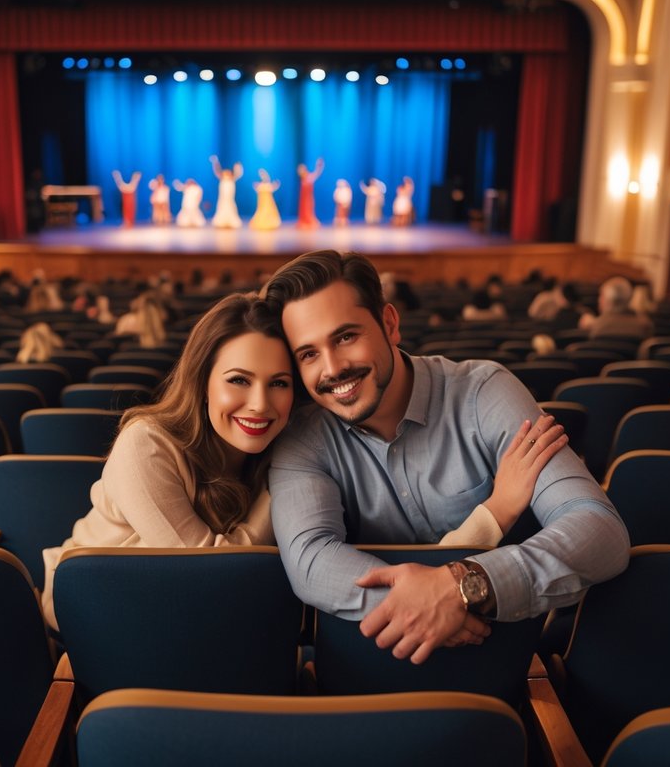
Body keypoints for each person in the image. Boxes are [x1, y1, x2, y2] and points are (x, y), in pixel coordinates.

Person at [263, 250, 629, 665]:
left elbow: (600, 530)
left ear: (389, 323)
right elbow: (311, 559)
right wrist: (432, 602)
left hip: (498, 675)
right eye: (308, 354)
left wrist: (465, 585)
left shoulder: (483, 393)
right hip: (366, 679)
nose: (332, 369)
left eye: (346, 337)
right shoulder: (302, 438)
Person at [40, 293, 293, 629]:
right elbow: (206, 572)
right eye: (238, 380)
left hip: (188, 612)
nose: (260, 404)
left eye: (278, 383)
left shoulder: (281, 446)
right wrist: (283, 481)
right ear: (202, 383)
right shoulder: (145, 443)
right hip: (97, 607)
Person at [579, 276, 654, 339]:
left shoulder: (597, 327)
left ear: (608, 301)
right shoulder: (645, 325)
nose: (599, 300)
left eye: (601, 296)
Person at [210, 156, 244, 228]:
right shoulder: (222, 178)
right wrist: (215, 162)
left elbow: (239, 174)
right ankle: (221, 222)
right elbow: (217, 170)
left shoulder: (232, 179)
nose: (227, 174)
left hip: (229, 198)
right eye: (225, 173)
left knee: (230, 205)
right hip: (223, 198)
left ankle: (231, 222)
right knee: (222, 205)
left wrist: (238, 167)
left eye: (228, 173)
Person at [296, 158, 324, 229]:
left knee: (308, 211)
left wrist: (319, 166)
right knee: (304, 211)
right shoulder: (303, 179)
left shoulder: (309, 177)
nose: (300, 173)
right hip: (303, 200)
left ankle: (308, 221)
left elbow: (317, 173)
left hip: (308, 200)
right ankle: (304, 221)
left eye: (301, 170)